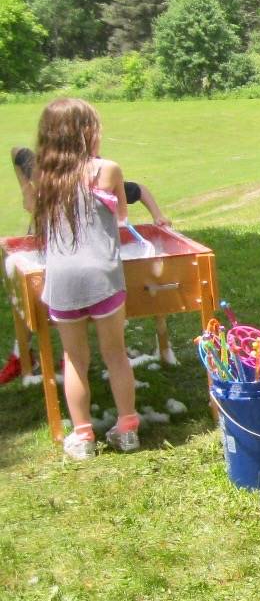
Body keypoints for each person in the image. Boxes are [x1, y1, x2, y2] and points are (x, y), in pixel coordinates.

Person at [5, 144, 176, 385]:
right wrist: (26, 188)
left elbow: (138, 190)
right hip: (47, 242)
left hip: (82, 252)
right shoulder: (43, 174)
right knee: (31, 300)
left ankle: (75, 356)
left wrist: (157, 215)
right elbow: (16, 152)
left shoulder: (100, 185)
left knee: (83, 304)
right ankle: (25, 356)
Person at [29, 100, 141, 459]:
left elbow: (34, 211)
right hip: (103, 278)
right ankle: (127, 428)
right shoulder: (107, 170)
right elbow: (122, 214)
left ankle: (82, 437)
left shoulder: (43, 178)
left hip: (61, 281)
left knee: (74, 358)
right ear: (87, 133)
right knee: (115, 353)